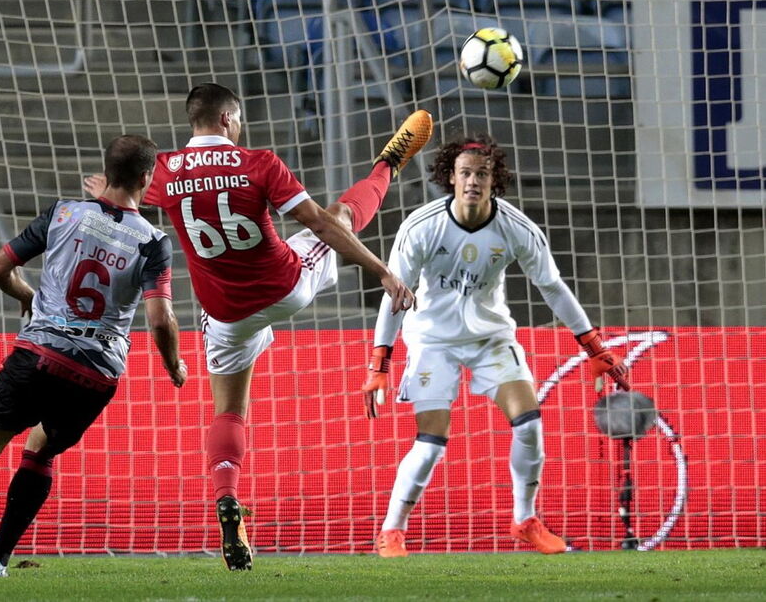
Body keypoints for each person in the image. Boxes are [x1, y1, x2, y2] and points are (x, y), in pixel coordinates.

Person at [84, 82, 432, 570]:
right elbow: (322, 226)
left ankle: (226, 495)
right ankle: (387, 165)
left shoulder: (161, 171)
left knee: (228, 413)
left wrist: (107, 192)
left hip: (224, 312)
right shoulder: (259, 163)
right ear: (229, 119)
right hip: (285, 287)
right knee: (341, 215)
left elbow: (121, 194)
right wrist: (382, 272)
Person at [0, 135, 187, 577]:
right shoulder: (154, 242)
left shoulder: (64, 212)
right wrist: (173, 364)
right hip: (95, 373)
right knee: (40, 453)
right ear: (147, 178)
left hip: (39, 351)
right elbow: (161, 320)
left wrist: (25, 293)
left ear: (105, 171)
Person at [361, 133, 630, 558]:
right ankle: (392, 531)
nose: (473, 181)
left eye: (482, 174)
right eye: (465, 173)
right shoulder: (421, 226)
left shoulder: (515, 227)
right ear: (450, 177)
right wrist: (380, 361)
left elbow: (553, 288)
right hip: (432, 339)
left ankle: (524, 520)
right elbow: (394, 294)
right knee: (431, 442)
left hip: (491, 338)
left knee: (529, 424)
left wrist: (594, 346)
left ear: (494, 181)